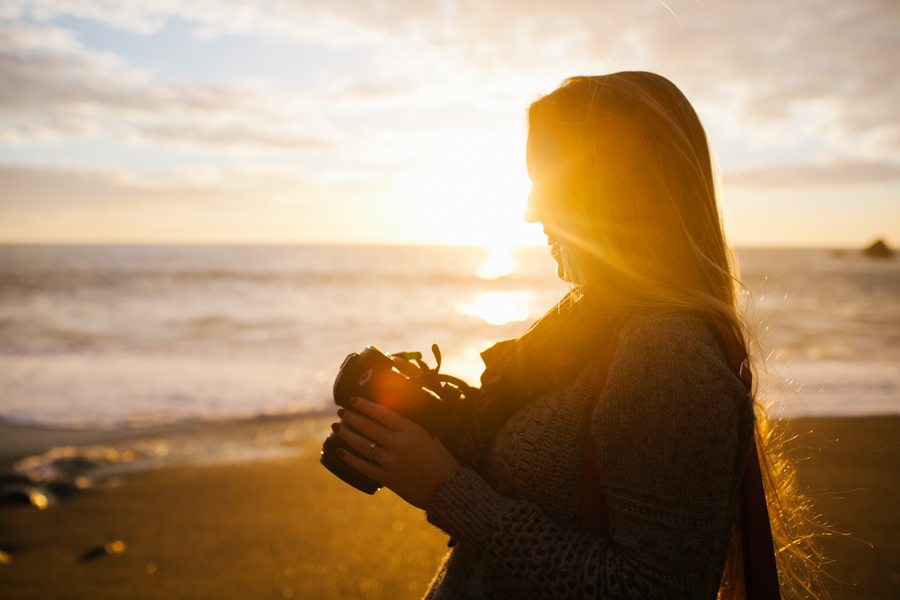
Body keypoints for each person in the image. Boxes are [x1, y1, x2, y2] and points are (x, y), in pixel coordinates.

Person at [331, 72, 823, 599]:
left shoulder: (667, 354)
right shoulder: (588, 321)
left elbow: (654, 589)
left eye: (546, 182)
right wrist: (441, 433)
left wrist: (447, 491)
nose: (529, 211)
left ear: (613, 187)